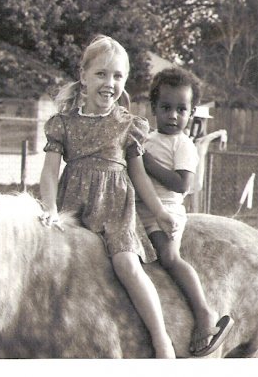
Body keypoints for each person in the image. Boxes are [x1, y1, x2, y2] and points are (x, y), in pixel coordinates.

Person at [39, 35, 178, 358]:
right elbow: (48, 172)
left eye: (117, 76)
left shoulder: (127, 125)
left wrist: (159, 212)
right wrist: (50, 209)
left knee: (127, 265)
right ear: (84, 76)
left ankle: (161, 338)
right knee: (56, 266)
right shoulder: (63, 124)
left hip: (115, 211)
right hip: (73, 208)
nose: (109, 83)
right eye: (101, 74)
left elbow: (139, 176)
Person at [137, 67, 234, 357]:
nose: (173, 116)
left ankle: (204, 313)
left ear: (191, 113)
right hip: (140, 208)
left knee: (168, 257)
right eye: (166, 108)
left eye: (181, 110)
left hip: (166, 209)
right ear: (154, 107)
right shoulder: (148, 139)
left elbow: (182, 184)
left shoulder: (183, 145)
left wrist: (148, 163)